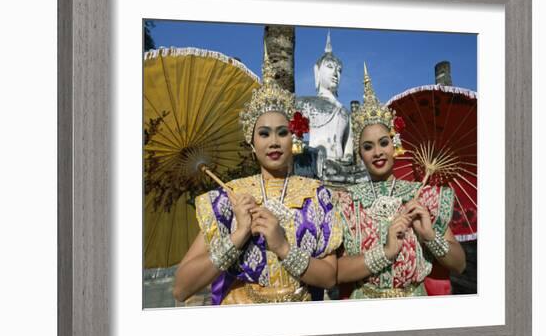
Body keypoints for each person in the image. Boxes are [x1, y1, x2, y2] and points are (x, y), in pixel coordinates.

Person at [173, 83, 342, 305]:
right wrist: (239, 235)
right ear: (252, 143)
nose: (274, 142)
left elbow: (329, 278)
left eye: (282, 133)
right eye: (264, 134)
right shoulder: (229, 197)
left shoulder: (317, 195)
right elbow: (181, 288)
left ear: (294, 138)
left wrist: (283, 247)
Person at [336, 67, 466, 299]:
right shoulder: (347, 202)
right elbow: (336, 272)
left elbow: (459, 264)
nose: (377, 152)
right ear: (360, 153)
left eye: (383, 143)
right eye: (368, 147)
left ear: (394, 145)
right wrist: (385, 253)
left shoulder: (423, 197)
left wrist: (430, 237)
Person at [297, 31, 353, 162]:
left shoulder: (345, 112)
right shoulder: (305, 103)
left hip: (341, 168)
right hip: (314, 163)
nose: (335, 73)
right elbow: (296, 139)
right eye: (329, 67)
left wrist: (349, 157)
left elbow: (349, 147)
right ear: (317, 71)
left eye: (339, 70)